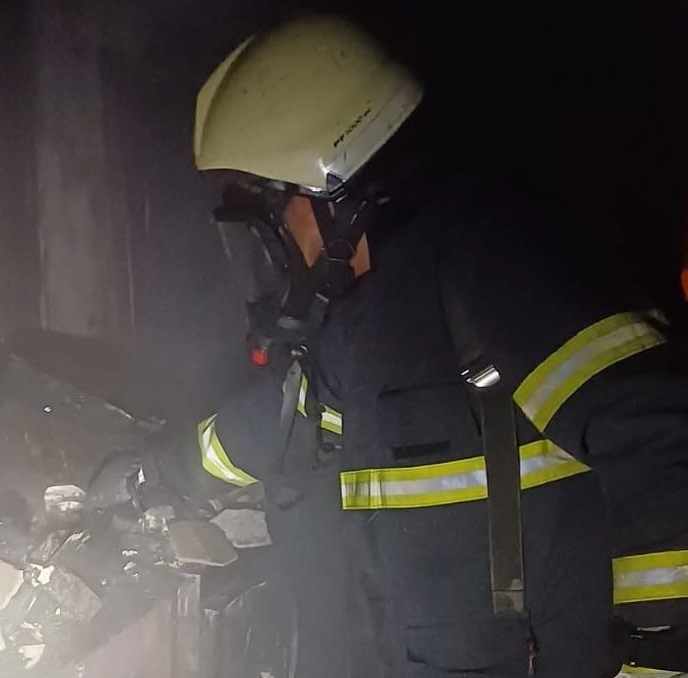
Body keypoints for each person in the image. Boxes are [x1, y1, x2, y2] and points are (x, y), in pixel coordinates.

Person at [147, 13, 688, 677]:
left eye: (267, 212)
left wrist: (658, 660)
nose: (264, 248)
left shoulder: (497, 265)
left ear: (328, 193)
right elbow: (283, 428)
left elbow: (665, 444)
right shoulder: (362, 321)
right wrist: (150, 478)